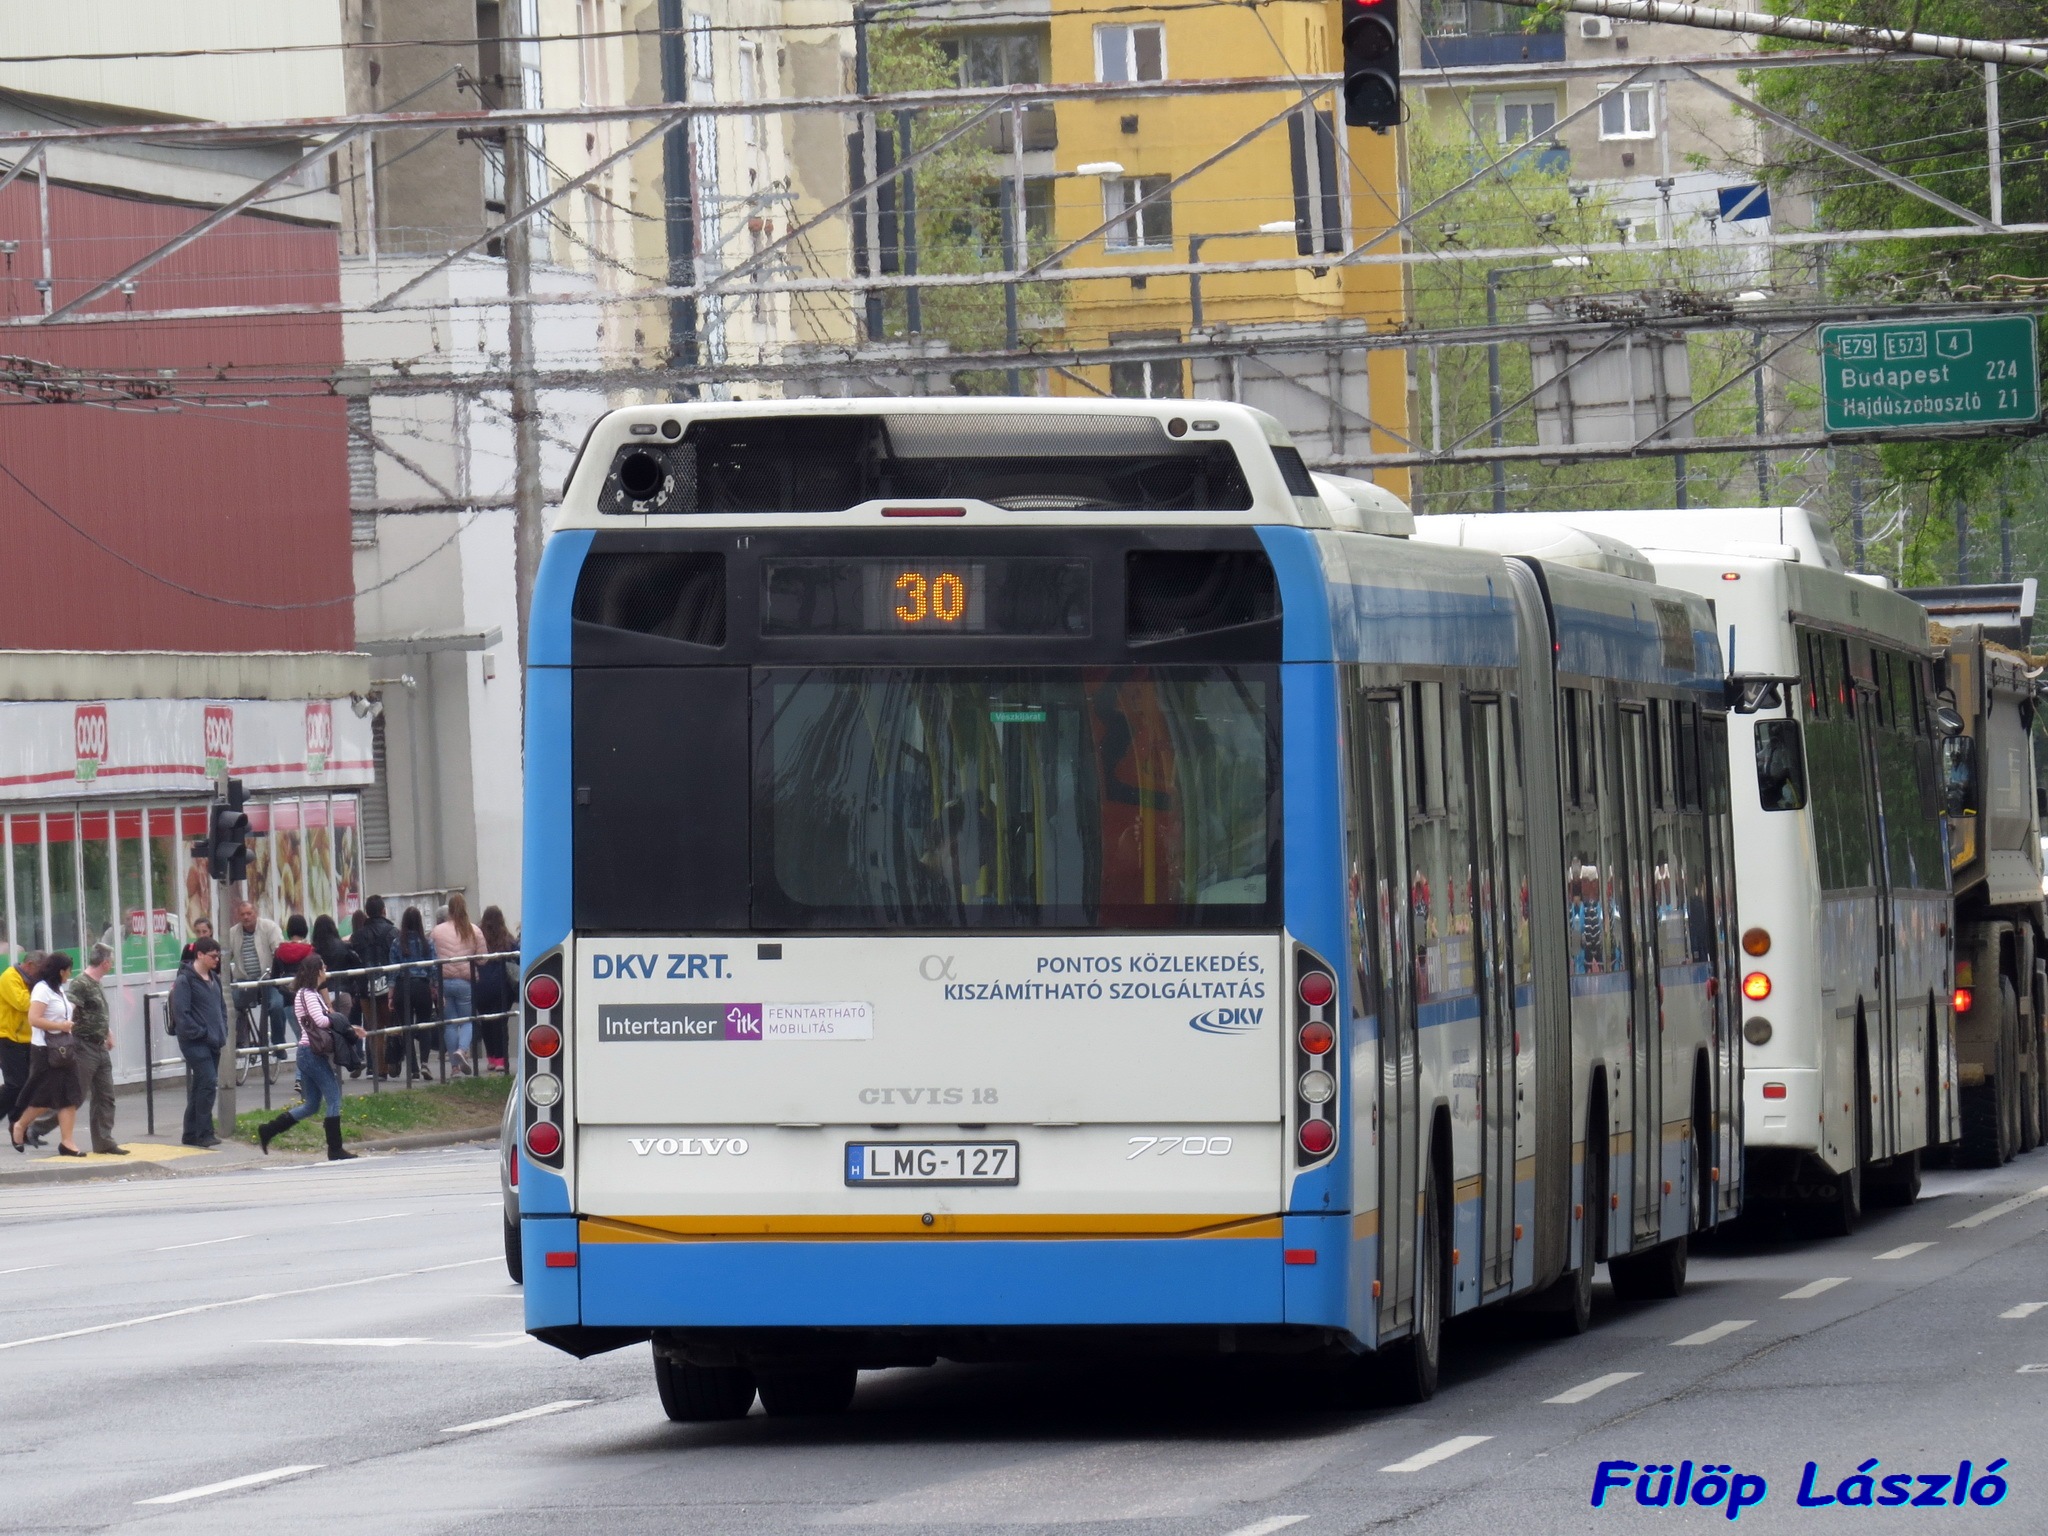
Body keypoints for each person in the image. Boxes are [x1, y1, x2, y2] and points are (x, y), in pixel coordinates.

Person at [254, 954, 362, 1162]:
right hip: (311, 1053)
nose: (326, 969)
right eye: (323, 967)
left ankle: (268, 1130)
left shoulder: (308, 993)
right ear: (317, 971)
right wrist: (339, 1020)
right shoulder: (309, 995)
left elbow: (322, 1020)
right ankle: (335, 1149)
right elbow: (321, 1021)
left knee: (311, 1105)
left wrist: (348, 1027)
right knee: (334, 1098)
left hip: (307, 1053)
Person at [11, 954, 85, 1157]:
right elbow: (34, 1019)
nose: (70, 974)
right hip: (45, 1050)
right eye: (68, 970)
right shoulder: (42, 989)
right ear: (60, 971)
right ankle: (20, 1125)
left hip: (64, 1049)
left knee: (70, 1096)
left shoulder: (58, 989)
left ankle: (67, 1142)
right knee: (44, 1097)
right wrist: (60, 1025)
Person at [66, 944, 125, 1155]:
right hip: (83, 1045)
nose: (112, 964)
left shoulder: (97, 982)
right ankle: (37, 1127)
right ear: (105, 963)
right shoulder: (81, 983)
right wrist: (63, 1033)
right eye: (111, 961)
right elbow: (69, 1009)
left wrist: (108, 1033)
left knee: (106, 1096)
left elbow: (97, 1012)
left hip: (99, 1046)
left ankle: (104, 1142)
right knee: (76, 1095)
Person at [170, 936, 227, 1147]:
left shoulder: (214, 979)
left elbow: (221, 1007)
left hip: (214, 1040)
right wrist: (201, 1032)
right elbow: (182, 1015)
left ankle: (190, 1132)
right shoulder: (185, 980)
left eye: (218, 956)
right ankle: (204, 1132)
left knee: (200, 1086)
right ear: (200, 955)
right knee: (208, 1083)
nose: (216, 960)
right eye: (213, 956)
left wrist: (222, 1029)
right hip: (194, 1042)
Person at [431, 894, 488, 1077]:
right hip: (465, 981)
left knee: (449, 1023)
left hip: (444, 981)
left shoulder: (437, 931)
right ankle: (462, 1050)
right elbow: (482, 959)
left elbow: (431, 955)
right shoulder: (474, 930)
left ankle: (454, 1067)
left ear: (449, 910)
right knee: (467, 1020)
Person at [225, 900, 281, 1076]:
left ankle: (279, 1044)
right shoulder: (233, 933)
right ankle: (239, 1040)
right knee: (229, 1006)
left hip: (268, 979)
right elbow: (224, 957)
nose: (246, 917)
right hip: (245, 981)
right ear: (238, 916)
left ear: (256, 913)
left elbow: (278, 952)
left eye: (249, 913)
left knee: (276, 1006)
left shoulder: (269, 927)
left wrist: (276, 974)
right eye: (242, 914)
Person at [312, 914, 365, 1077]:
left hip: (322, 997)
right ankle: (353, 1060)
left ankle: (332, 1069)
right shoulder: (343, 946)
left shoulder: (313, 950)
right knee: (343, 1030)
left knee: (327, 1033)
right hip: (343, 993)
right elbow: (356, 967)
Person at [355, 897, 400, 1078]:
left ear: (367, 912)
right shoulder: (393, 932)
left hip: (366, 988)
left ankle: (380, 1069)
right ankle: (394, 1059)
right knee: (392, 1024)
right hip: (389, 986)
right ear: (383, 911)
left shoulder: (358, 936)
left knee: (374, 1029)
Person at [0, 950, 41, 1133]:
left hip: (27, 1038)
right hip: (8, 1037)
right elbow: (22, 1003)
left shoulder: (31, 981)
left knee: (26, 1086)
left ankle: (18, 1128)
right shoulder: (10, 977)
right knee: (15, 1085)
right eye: (39, 970)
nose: (41, 975)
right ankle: (16, 1125)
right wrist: (40, 997)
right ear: (30, 965)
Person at [474, 905, 518, 1073]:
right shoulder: (507, 939)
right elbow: (517, 957)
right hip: (501, 986)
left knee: (485, 1021)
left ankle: (491, 1058)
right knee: (500, 1022)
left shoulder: (478, 937)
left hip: (481, 985)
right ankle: (501, 1060)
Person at [397, 906, 438, 1080]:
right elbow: (434, 967)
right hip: (422, 986)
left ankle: (413, 1068)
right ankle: (425, 1063)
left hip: (402, 986)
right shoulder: (427, 943)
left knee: (406, 1027)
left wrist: (391, 994)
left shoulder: (397, 943)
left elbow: (392, 971)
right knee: (424, 1025)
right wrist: (435, 987)